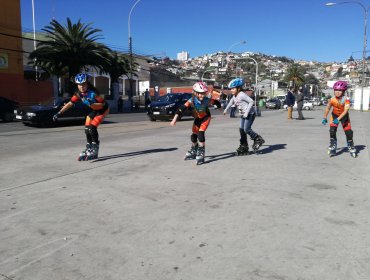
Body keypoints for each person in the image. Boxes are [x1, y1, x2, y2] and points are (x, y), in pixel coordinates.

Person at [53, 73, 109, 161]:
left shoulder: (93, 93)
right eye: (79, 85)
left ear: (87, 84)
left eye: (83, 84)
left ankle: (95, 148)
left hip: (102, 109)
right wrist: (59, 113)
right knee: (87, 129)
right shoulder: (78, 94)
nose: (81, 87)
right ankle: (89, 148)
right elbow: (70, 103)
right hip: (94, 110)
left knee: (92, 127)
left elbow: (103, 104)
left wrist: (93, 104)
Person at [170, 81, 218, 165]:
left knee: (200, 133)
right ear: (195, 93)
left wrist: (219, 106)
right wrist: (174, 119)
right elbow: (181, 109)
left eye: (203, 93)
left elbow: (216, 102)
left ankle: (201, 151)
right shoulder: (191, 100)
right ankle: (194, 149)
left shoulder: (207, 100)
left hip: (206, 118)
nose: (202, 95)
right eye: (199, 93)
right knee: (193, 136)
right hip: (197, 118)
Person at [223, 78, 265, 155]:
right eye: (230, 89)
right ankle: (244, 145)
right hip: (243, 115)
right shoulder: (234, 96)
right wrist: (226, 109)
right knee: (241, 130)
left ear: (238, 88)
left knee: (246, 129)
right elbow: (231, 102)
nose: (231, 90)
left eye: (233, 89)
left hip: (250, 114)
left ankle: (258, 139)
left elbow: (251, 101)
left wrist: (247, 112)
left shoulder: (241, 95)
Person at [322, 80, 356, 157]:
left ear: (343, 91)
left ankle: (350, 144)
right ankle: (333, 144)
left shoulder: (346, 99)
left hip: (344, 117)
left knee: (349, 132)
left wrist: (338, 119)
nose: (337, 92)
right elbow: (328, 108)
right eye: (336, 90)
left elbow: (346, 110)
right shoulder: (332, 99)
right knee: (332, 130)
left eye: (340, 90)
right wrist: (324, 117)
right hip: (334, 115)